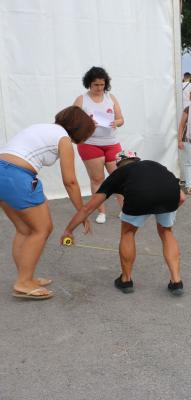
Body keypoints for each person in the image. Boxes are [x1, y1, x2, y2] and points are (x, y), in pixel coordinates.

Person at [0, 106, 95, 300]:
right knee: (42, 229)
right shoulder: (64, 140)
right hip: (18, 175)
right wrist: (82, 212)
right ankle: (24, 282)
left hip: (3, 171)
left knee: (24, 230)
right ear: (80, 129)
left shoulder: (43, 127)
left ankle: (25, 277)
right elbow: (70, 181)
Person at [61, 151, 186, 296]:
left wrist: (68, 231)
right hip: (169, 194)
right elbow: (182, 198)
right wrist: (165, 209)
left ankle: (126, 280)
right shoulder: (155, 165)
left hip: (139, 196)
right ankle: (176, 282)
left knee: (128, 233)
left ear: (118, 165)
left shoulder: (118, 175)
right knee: (166, 232)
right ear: (137, 160)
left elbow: (88, 208)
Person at [74, 66, 125, 224]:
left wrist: (114, 122)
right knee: (97, 179)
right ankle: (101, 212)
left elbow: (121, 120)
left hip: (111, 143)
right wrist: (88, 123)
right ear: (89, 83)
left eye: (102, 85)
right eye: (96, 84)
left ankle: (125, 210)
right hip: (90, 144)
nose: (99, 88)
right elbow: (73, 121)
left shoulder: (111, 97)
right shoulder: (82, 99)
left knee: (119, 178)